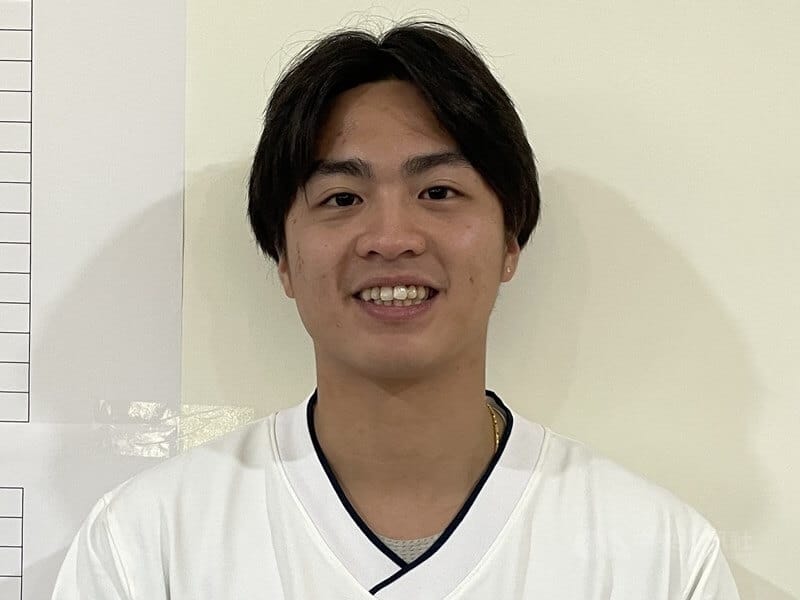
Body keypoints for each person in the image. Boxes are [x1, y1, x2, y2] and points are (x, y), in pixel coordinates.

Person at [52, 19, 741, 599]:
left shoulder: (658, 558)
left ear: (510, 241)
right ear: (283, 258)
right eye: (341, 199)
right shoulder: (146, 548)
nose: (390, 238)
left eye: (438, 192)